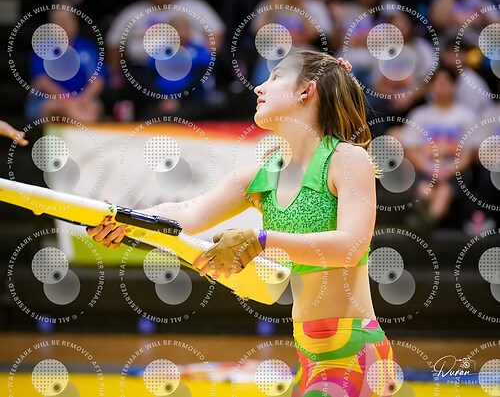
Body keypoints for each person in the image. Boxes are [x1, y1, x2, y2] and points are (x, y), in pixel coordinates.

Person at [88, 50, 396, 396]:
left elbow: (351, 247)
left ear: (306, 91)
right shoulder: (262, 176)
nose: (259, 88)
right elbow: (187, 213)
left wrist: (262, 240)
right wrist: (123, 221)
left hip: (355, 355)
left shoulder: (347, 159)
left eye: (275, 77)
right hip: (310, 358)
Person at [402, 66, 477, 230]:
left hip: (456, 173)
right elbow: (411, 151)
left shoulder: (466, 116)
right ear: (430, 87)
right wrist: (430, 169)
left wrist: (448, 170)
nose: (442, 87)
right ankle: (425, 224)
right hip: (425, 171)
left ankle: (423, 225)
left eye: (446, 83)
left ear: (454, 85)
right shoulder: (419, 115)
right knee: (424, 189)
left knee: (444, 191)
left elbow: (468, 154)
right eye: (437, 83)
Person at [26, 8, 104, 122]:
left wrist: (83, 98)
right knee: (55, 108)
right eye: (59, 21)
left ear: (76, 23)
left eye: (68, 20)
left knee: (93, 108)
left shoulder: (88, 48)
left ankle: (80, 123)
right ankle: (80, 123)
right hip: (50, 99)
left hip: (83, 100)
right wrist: (66, 98)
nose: (64, 25)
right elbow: (42, 81)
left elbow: (98, 80)